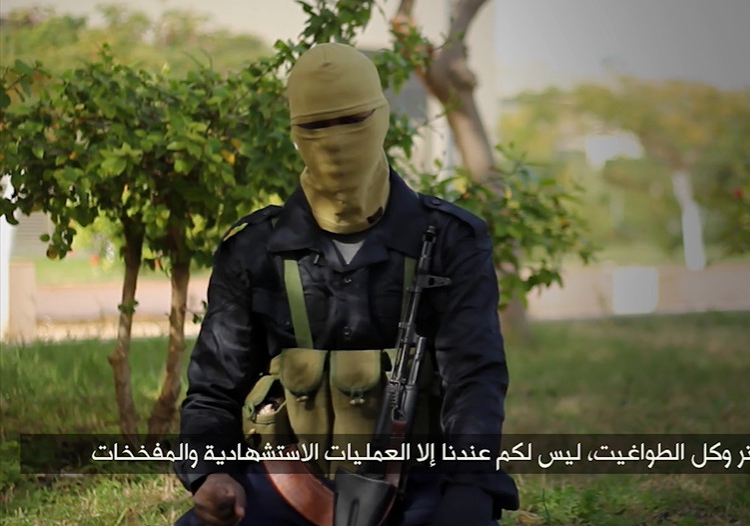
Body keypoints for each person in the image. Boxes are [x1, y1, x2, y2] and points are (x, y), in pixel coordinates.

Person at [173, 42, 519, 526]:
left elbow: (474, 380)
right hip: (287, 485)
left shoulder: (451, 240)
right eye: (316, 126)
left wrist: (469, 486)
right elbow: (213, 387)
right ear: (295, 132)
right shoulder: (253, 249)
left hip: (417, 485)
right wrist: (209, 473)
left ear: (381, 118)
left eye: (352, 120)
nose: (335, 141)